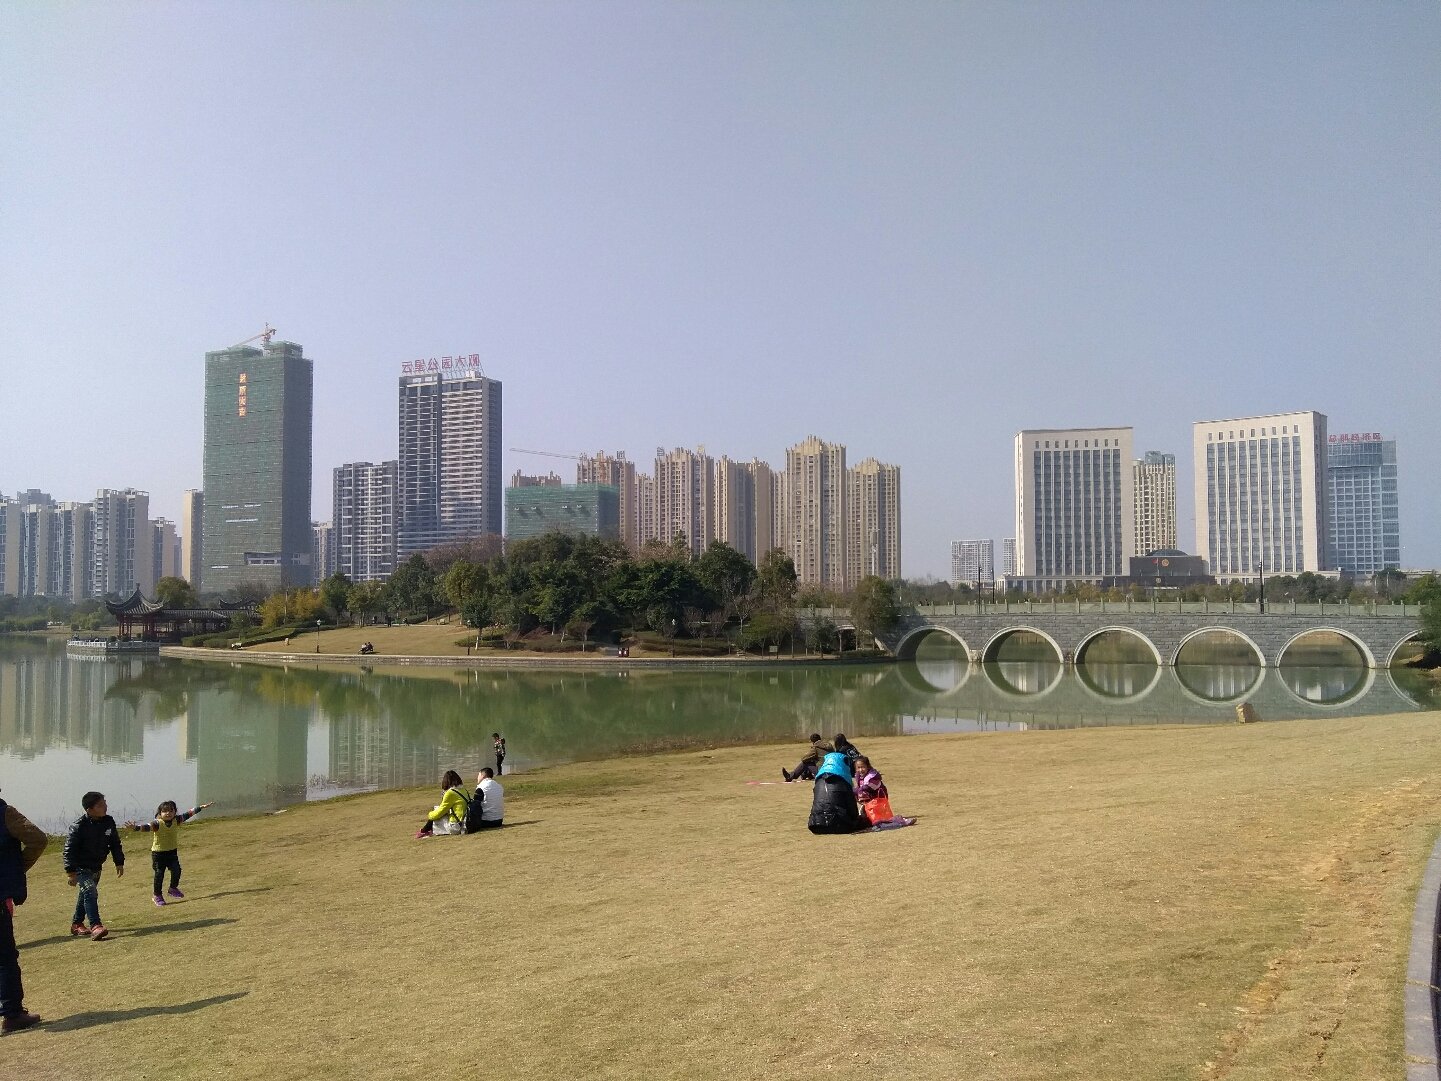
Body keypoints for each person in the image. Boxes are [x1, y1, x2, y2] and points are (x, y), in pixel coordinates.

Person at [1, 787, 48, 1035]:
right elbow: (38, 839)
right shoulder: (5, 813)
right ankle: (12, 1014)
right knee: (4, 957)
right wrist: (17, 868)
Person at [124, 800, 215, 906]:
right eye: (165, 811)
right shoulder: (157, 823)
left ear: (175, 812)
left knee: (177, 870)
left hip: (172, 852)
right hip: (158, 854)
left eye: (171, 811)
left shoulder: (177, 820)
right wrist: (135, 828)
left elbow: (189, 814)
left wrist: (201, 807)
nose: (168, 813)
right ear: (160, 813)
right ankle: (157, 896)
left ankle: (173, 888)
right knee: (159, 874)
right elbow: (147, 827)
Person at [62, 791, 125, 940]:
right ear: (89, 810)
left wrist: (119, 862)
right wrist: (71, 873)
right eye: (100, 805)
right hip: (80, 867)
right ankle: (96, 926)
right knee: (90, 892)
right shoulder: (78, 826)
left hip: (96, 866)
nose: (105, 807)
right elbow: (69, 850)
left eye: (105, 803)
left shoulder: (108, 821)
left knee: (85, 894)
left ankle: (77, 924)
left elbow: (115, 843)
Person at [806, 750, 866, 835]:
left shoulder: (818, 781)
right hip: (839, 825)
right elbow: (852, 808)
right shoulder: (843, 781)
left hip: (816, 825)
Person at [852, 756, 915, 828]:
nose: (860, 770)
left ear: (868, 766)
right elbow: (860, 788)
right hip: (870, 803)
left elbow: (867, 787)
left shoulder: (873, 777)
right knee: (871, 818)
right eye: (858, 767)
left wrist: (855, 791)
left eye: (863, 767)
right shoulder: (860, 777)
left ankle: (902, 821)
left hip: (878, 801)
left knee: (882, 819)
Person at [416, 771, 469, 837]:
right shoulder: (463, 790)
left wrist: (430, 815)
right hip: (465, 822)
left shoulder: (450, 793)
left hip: (456, 826)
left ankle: (425, 830)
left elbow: (441, 811)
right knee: (439, 810)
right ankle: (426, 830)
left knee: (436, 811)